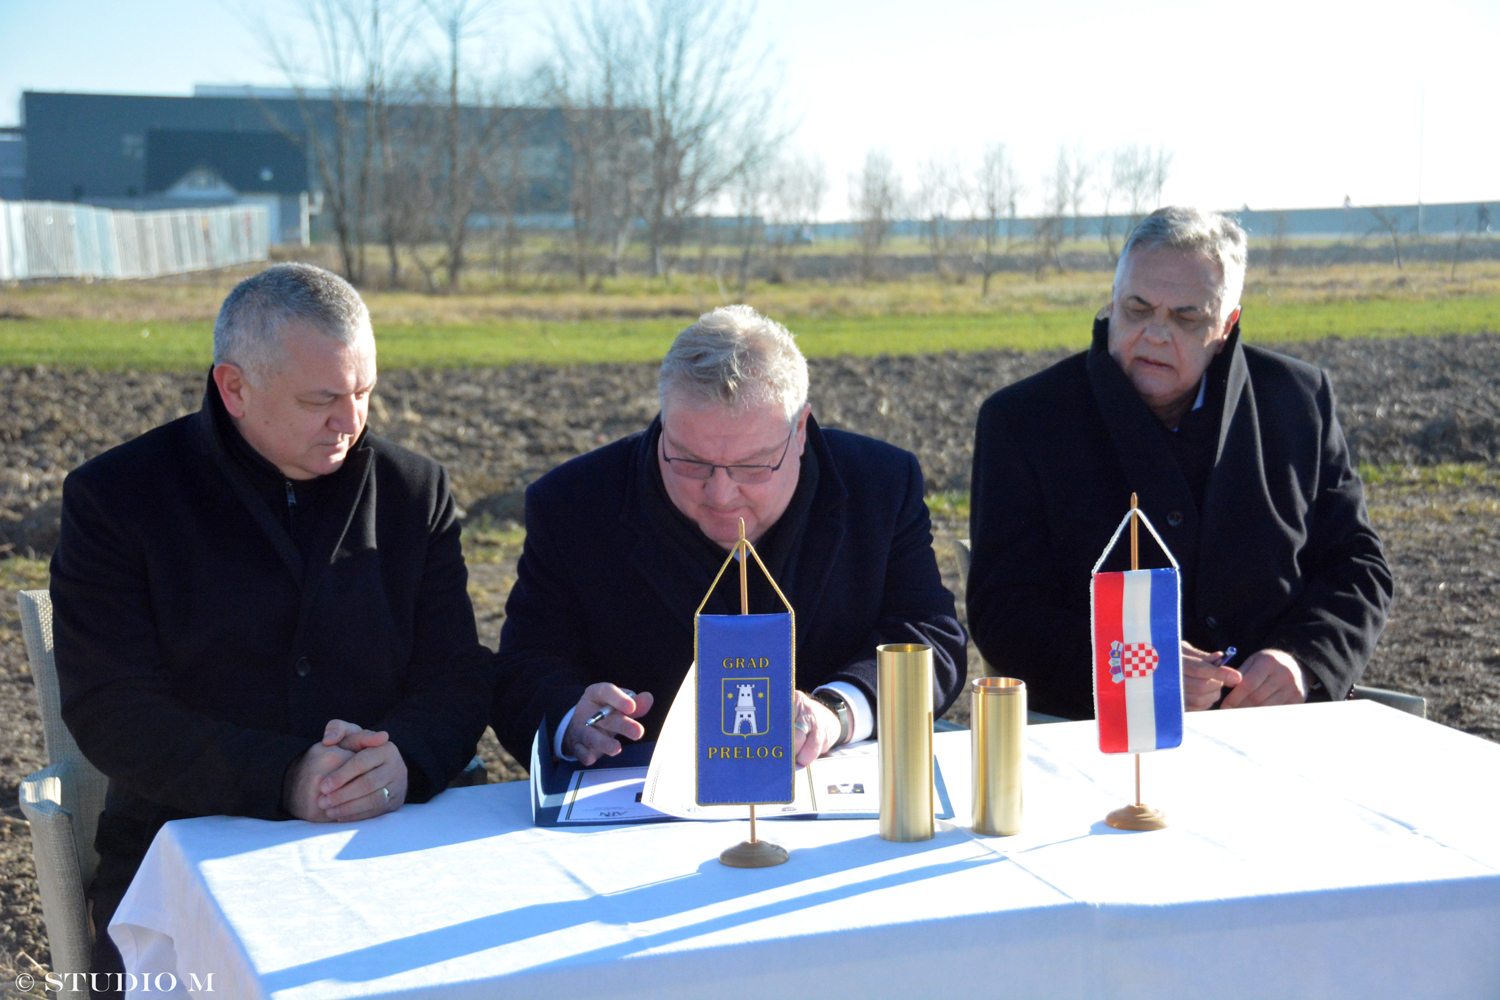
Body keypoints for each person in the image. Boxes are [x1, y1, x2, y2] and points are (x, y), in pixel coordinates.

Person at [50, 263, 493, 990]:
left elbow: (457, 672)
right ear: (234, 388)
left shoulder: (415, 492)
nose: (350, 423)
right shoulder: (119, 499)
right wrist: (284, 778)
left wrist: (404, 759)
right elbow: (112, 710)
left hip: (392, 845)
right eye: (321, 399)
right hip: (190, 851)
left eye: (363, 393)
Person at [492, 305, 967, 767]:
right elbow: (524, 667)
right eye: (690, 460)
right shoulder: (572, 504)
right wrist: (571, 720)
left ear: (799, 432)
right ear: (662, 426)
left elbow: (929, 637)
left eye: (753, 466)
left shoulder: (880, 486)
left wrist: (836, 713)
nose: (720, 494)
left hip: (830, 792)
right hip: (641, 815)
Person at [967, 207, 1393, 721]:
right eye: (1138, 309)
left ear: (1227, 324)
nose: (1155, 333)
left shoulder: (1298, 401)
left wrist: (1303, 661)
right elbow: (1004, 613)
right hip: (1096, 737)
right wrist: (1134, 667)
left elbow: (1358, 565)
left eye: (1186, 317)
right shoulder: (1024, 421)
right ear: (1112, 301)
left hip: (1275, 729)